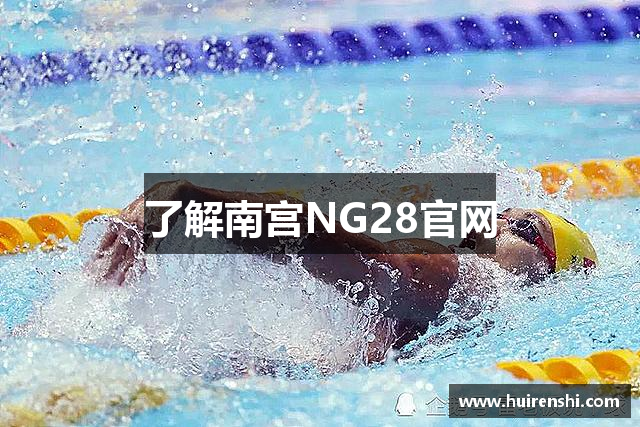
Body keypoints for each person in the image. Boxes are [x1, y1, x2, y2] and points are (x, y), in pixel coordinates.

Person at [88, 179, 598, 365]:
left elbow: (324, 241)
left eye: (524, 226)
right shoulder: (478, 314)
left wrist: (190, 200)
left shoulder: (472, 280)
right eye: (503, 210)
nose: (497, 219)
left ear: (543, 269)